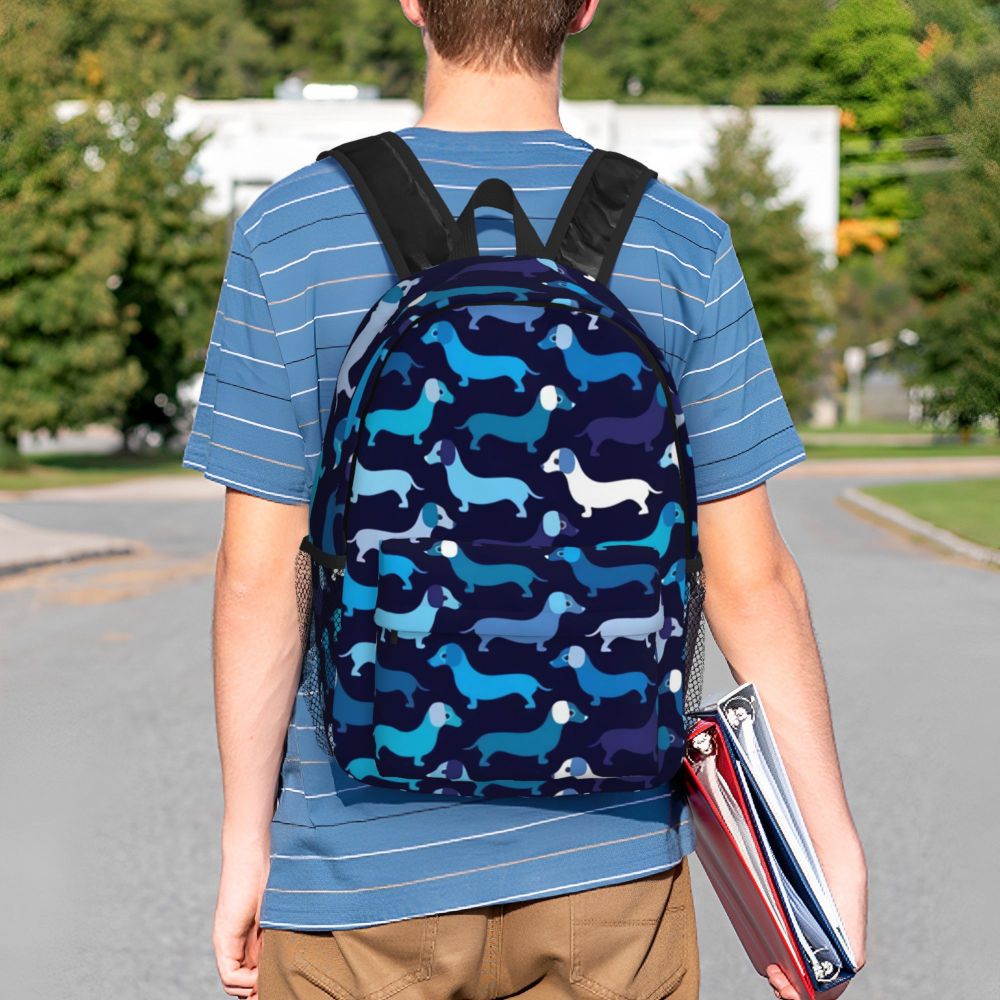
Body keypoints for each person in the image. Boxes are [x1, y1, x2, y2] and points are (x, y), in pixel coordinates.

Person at [183, 1, 869, 997]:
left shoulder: (292, 233)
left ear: (413, 2)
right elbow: (751, 579)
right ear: (583, 8)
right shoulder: (681, 241)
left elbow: (258, 576)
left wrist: (248, 844)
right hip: (611, 873)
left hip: (357, 876)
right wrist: (823, 845)